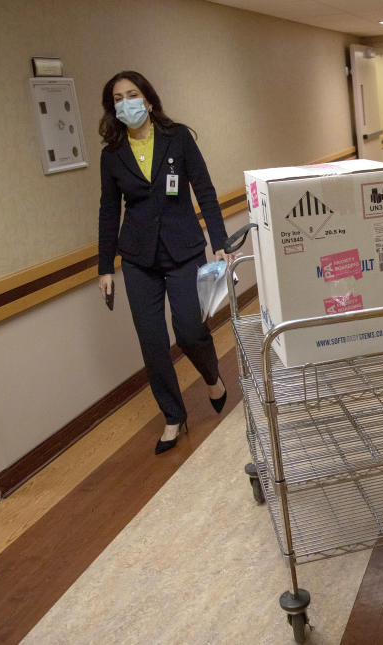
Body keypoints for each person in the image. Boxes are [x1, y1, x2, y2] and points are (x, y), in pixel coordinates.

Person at [97, 71, 232, 455]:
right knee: (152, 341)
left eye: (133, 94)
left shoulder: (178, 137)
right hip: (139, 258)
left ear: (149, 98)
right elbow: (109, 210)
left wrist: (220, 242)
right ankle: (173, 415)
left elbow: (203, 188)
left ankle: (211, 376)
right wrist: (105, 266)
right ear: (113, 108)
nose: (127, 102)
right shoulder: (112, 155)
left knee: (190, 329)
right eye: (118, 98)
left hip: (183, 248)